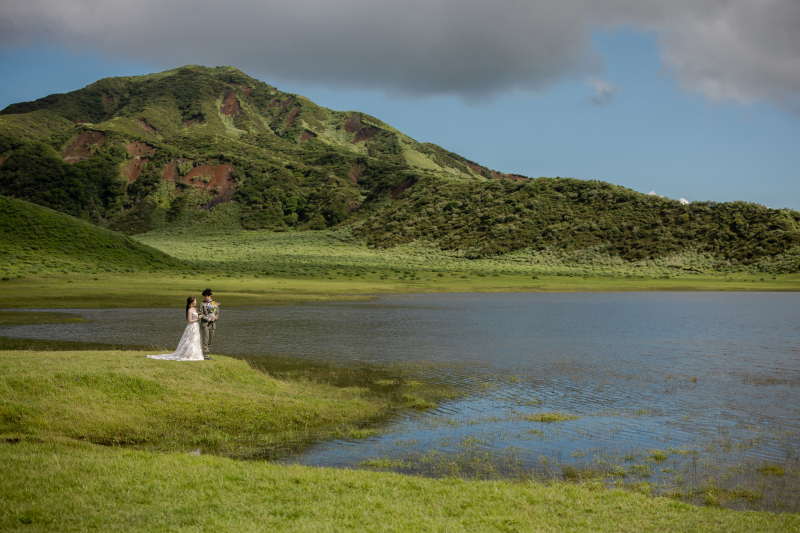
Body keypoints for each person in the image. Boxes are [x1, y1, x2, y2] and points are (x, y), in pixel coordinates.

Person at [147, 297, 204, 361]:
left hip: (196, 326)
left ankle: (195, 354)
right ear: (191, 302)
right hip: (192, 326)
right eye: (195, 301)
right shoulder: (190, 310)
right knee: (191, 339)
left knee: (196, 339)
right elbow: (190, 321)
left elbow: (202, 310)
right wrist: (197, 318)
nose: (196, 302)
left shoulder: (196, 309)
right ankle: (188, 354)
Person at [198, 288, 219, 360]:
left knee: (210, 340)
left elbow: (217, 313)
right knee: (205, 340)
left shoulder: (214, 303)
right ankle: (205, 356)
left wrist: (215, 318)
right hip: (205, 324)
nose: (204, 297)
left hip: (213, 324)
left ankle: (207, 353)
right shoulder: (202, 303)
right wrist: (208, 318)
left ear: (209, 296)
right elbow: (200, 314)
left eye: (205, 296)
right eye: (203, 296)